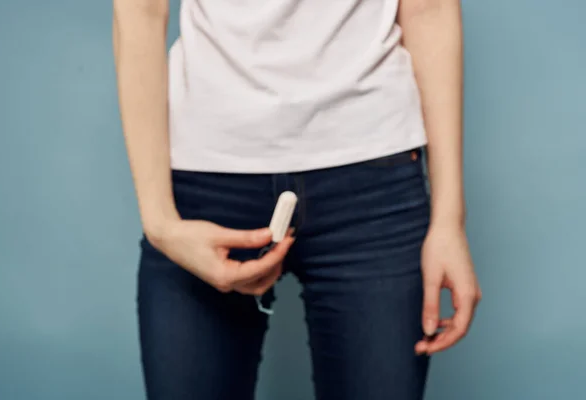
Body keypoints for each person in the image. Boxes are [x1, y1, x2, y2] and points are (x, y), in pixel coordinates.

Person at [112, 0, 482, 398]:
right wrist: (161, 224)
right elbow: (140, 10)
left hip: (372, 185)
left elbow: (431, 8)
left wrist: (449, 220)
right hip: (206, 184)